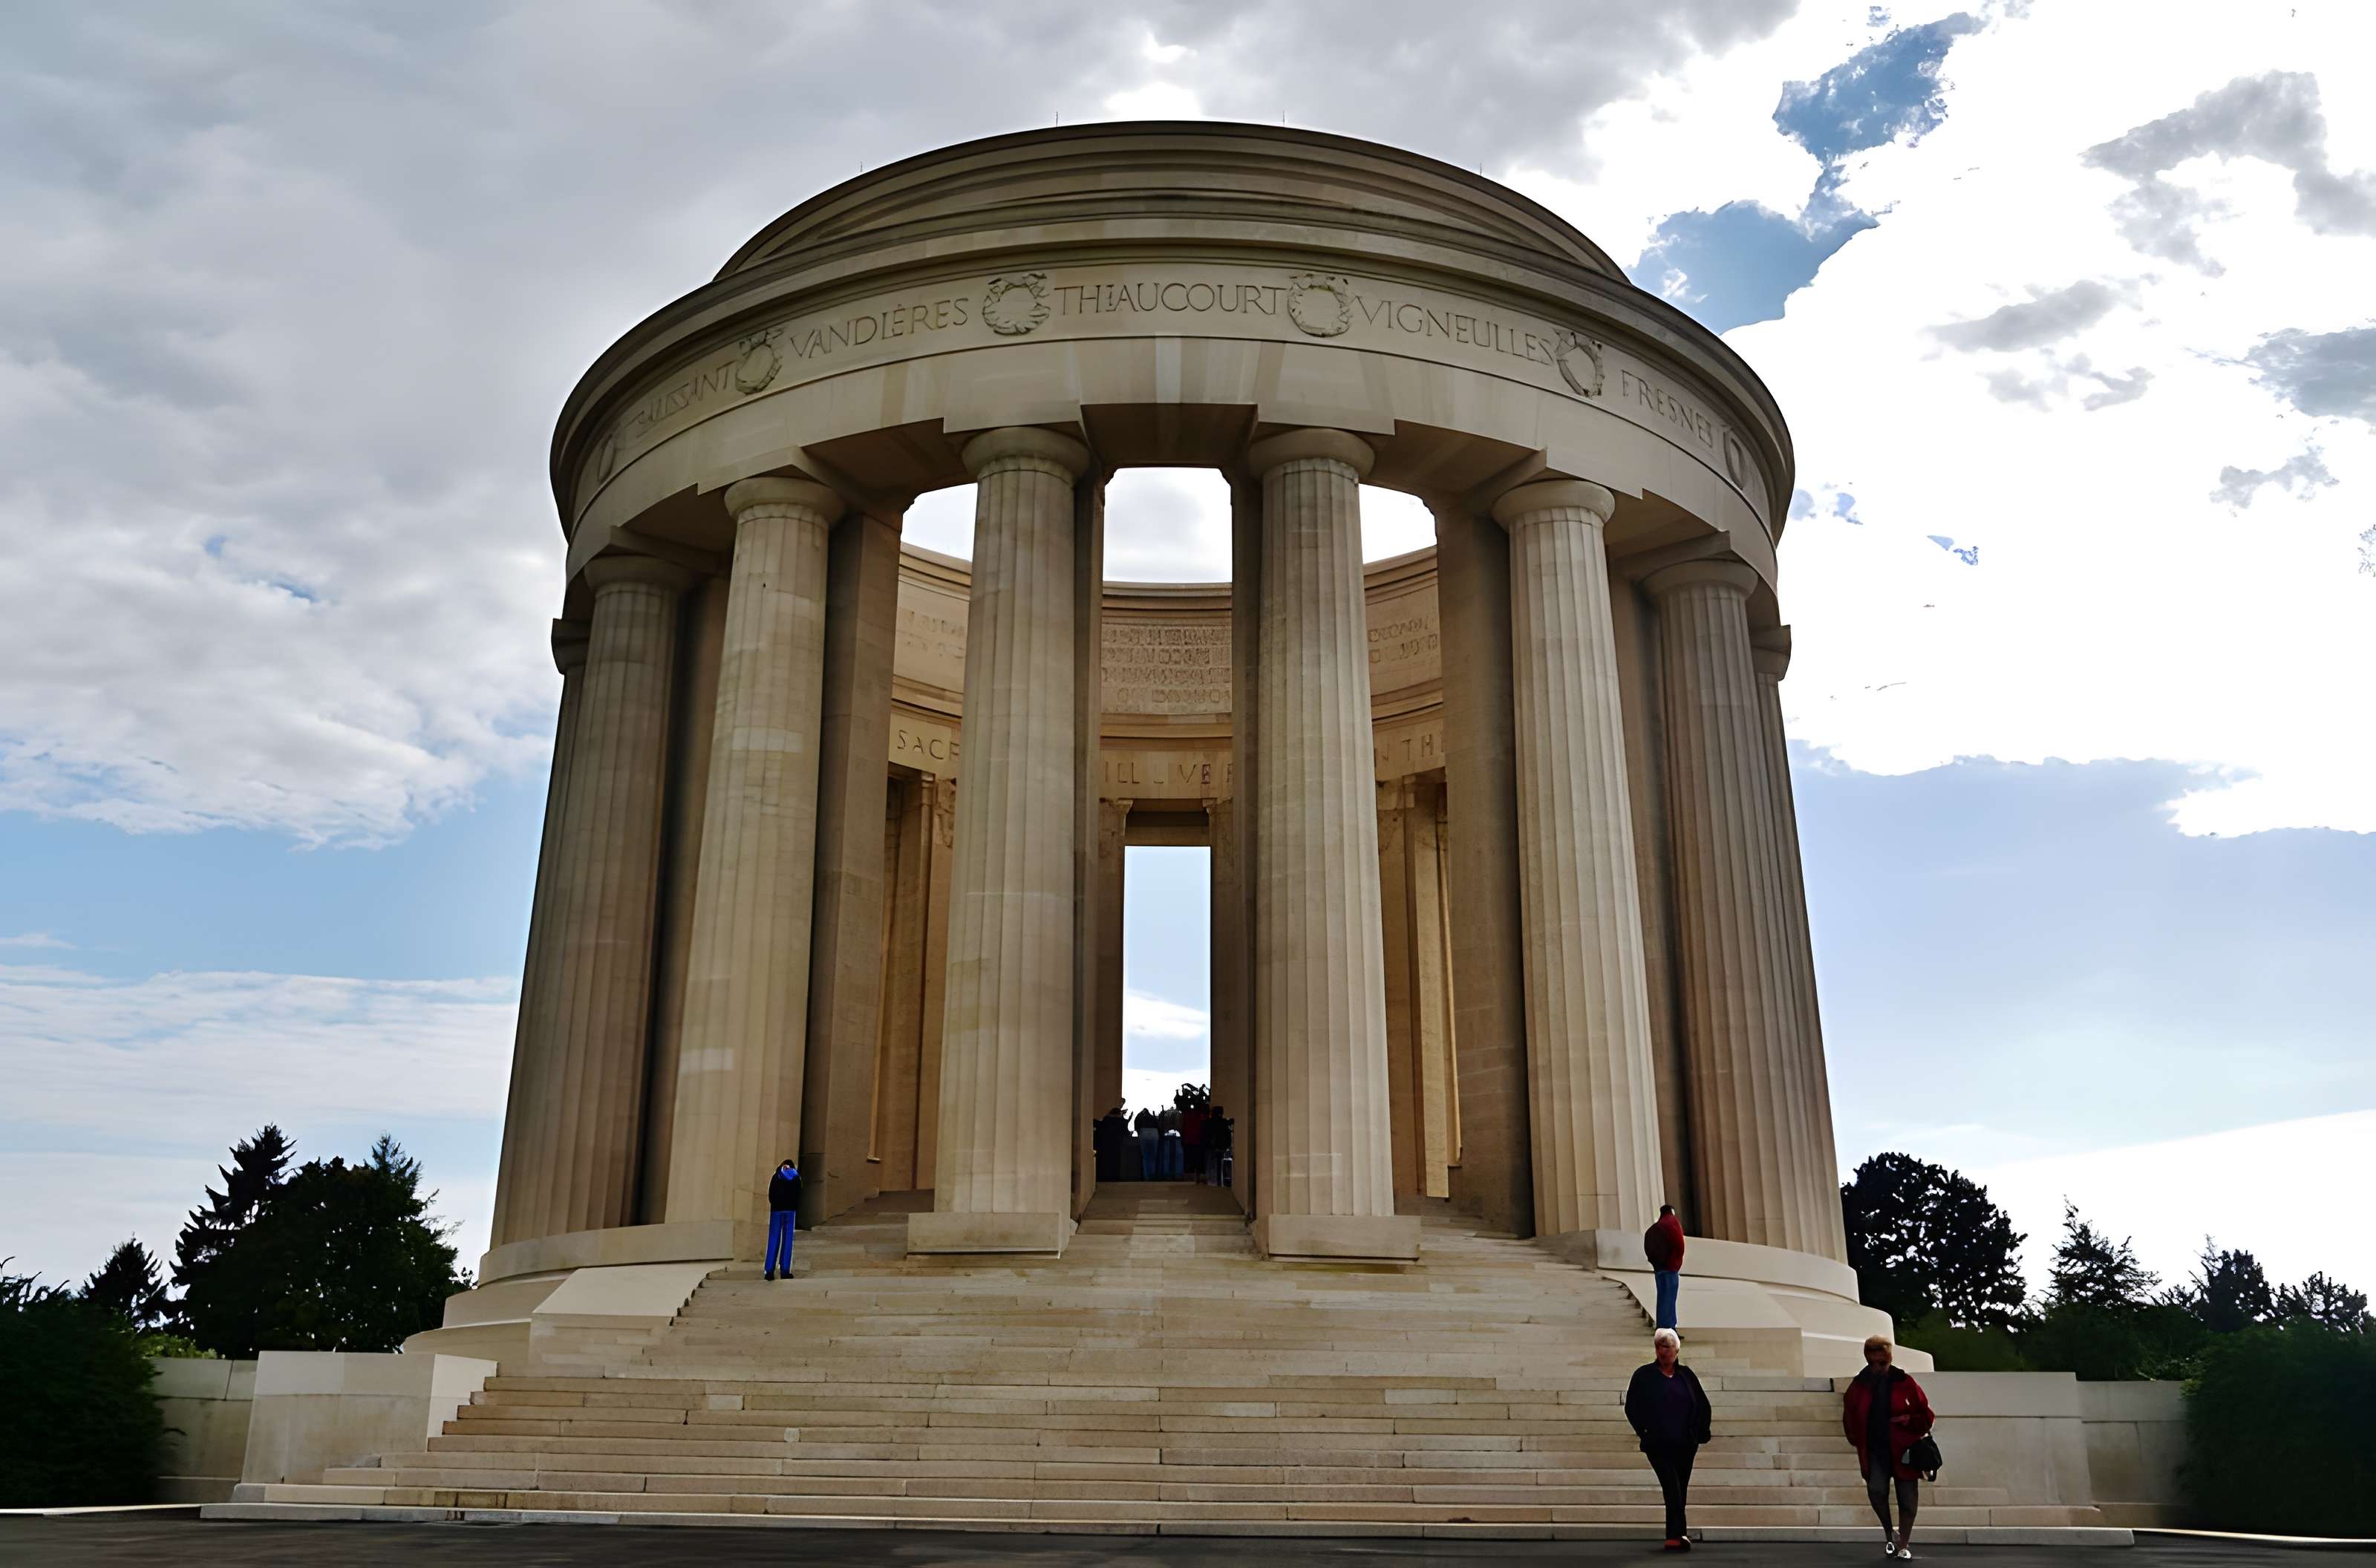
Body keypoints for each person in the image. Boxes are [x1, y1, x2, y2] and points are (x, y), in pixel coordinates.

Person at [1844, 1334, 1934, 1560]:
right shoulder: (1859, 1385)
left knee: (1908, 1497)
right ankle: (1888, 1532)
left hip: (1904, 1449)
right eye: (1872, 1362)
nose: (1877, 1367)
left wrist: (1908, 1420)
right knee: (1876, 1491)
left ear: (1890, 1358)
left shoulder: (1904, 1382)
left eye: (1882, 1362)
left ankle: (1904, 1543)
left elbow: (1926, 1415)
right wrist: (1858, 1440)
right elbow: (1850, 1417)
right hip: (1875, 1450)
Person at [1625, 1327, 1712, 1551]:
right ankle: (1675, 1536)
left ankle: (1678, 1533)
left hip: (1685, 1444)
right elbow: (1632, 1407)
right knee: (1672, 1487)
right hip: (1659, 1444)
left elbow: (1702, 1405)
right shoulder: (1644, 1376)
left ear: (1677, 1350)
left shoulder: (1686, 1376)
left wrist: (1699, 1432)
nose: (1664, 1352)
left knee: (1680, 1488)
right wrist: (1644, 1432)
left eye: (1668, 1347)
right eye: (1660, 1346)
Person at [1645, 1203, 1686, 1330]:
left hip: (1659, 1268)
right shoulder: (1673, 1224)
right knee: (1670, 1298)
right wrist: (1677, 1263)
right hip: (1670, 1268)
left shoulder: (1657, 1227)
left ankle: (1662, 1325)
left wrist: (1655, 1263)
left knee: (1662, 1297)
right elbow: (1680, 1245)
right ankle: (1670, 1327)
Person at [763, 1159, 800, 1281]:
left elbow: (771, 1194)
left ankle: (769, 1271)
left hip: (776, 1211)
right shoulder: (796, 1176)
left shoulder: (776, 1176)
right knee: (788, 1240)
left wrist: (775, 1204)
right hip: (790, 1211)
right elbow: (799, 1194)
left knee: (774, 1239)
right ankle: (785, 1271)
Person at [1133, 1105, 1158, 1180]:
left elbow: (1136, 1126)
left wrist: (1139, 1133)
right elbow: (1158, 1126)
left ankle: (1146, 1176)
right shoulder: (1153, 1117)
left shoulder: (1139, 1116)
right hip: (1154, 1134)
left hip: (1144, 1134)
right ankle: (1152, 1175)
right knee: (1153, 1157)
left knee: (1145, 1157)